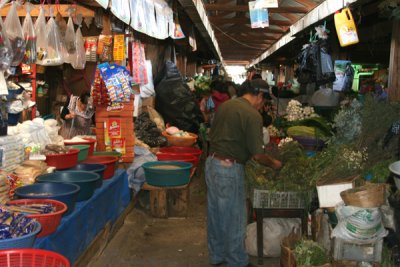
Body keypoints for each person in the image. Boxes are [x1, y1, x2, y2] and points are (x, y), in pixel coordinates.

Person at [205, 78, 282, 267]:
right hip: (229, 169)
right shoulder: (252, 115)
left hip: (211, 164)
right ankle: (237, 261)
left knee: (216, 214)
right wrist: (273, 163)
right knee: (235, 217)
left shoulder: (225, 106)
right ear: (260, 95)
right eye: (264, 100)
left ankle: (217, 256)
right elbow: (257, 154)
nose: (263, 105)